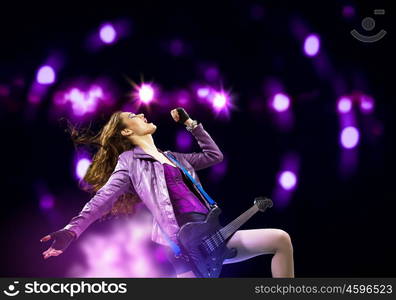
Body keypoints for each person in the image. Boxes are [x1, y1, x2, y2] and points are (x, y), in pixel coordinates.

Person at [40, 107, 295, 278]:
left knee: (280, 239)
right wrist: (71, 231)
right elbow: (102, 199)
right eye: (133, 116)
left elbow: (214, 156)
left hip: (214, 237)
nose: (140, 113)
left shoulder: (174, 157)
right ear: (127, 131)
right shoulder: (130, 162)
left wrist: (191, 124)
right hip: (186, 250)